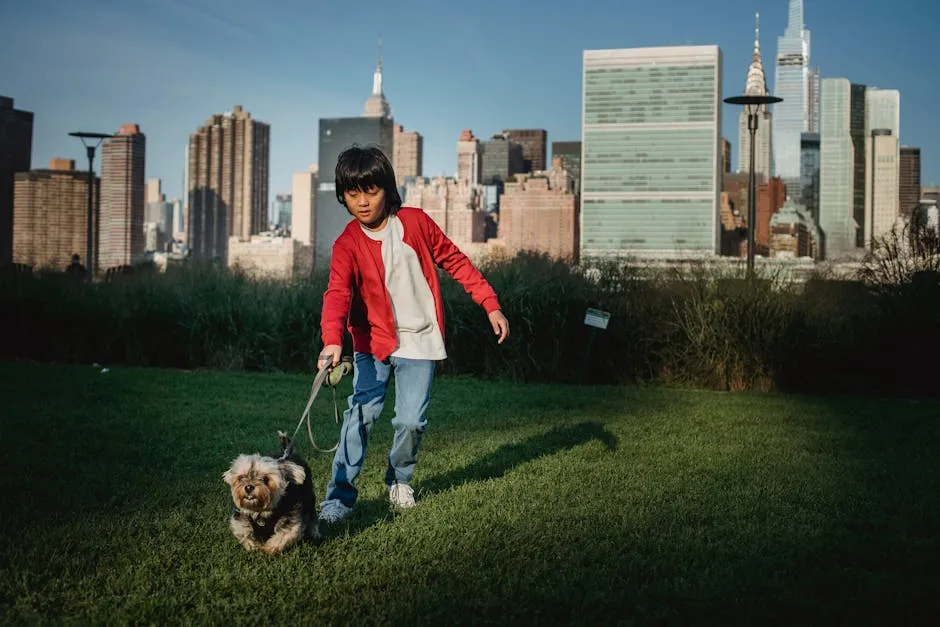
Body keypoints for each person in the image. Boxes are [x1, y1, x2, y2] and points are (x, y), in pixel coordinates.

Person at [317, 145, 509, 524]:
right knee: (360, 417)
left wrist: (490, 302)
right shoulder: (347, 244)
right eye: (353, 194)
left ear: (387, 188)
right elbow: (337, 293)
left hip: (420, 340)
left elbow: (456, 260)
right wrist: (332, 339)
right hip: (372, 344)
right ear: (343, 196)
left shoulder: (417, 223)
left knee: (410, 421)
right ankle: (339, 497)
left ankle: (399, 480)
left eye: (370, 191)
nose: (363, 202)